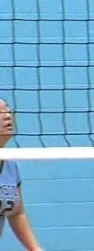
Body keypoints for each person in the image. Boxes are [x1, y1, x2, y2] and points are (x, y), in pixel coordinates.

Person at [0, 100, 44, 251]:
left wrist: (35, 249)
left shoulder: (11, 167)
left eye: (7, 110)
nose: (7, 116)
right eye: (0, 112)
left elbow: (17, 214)